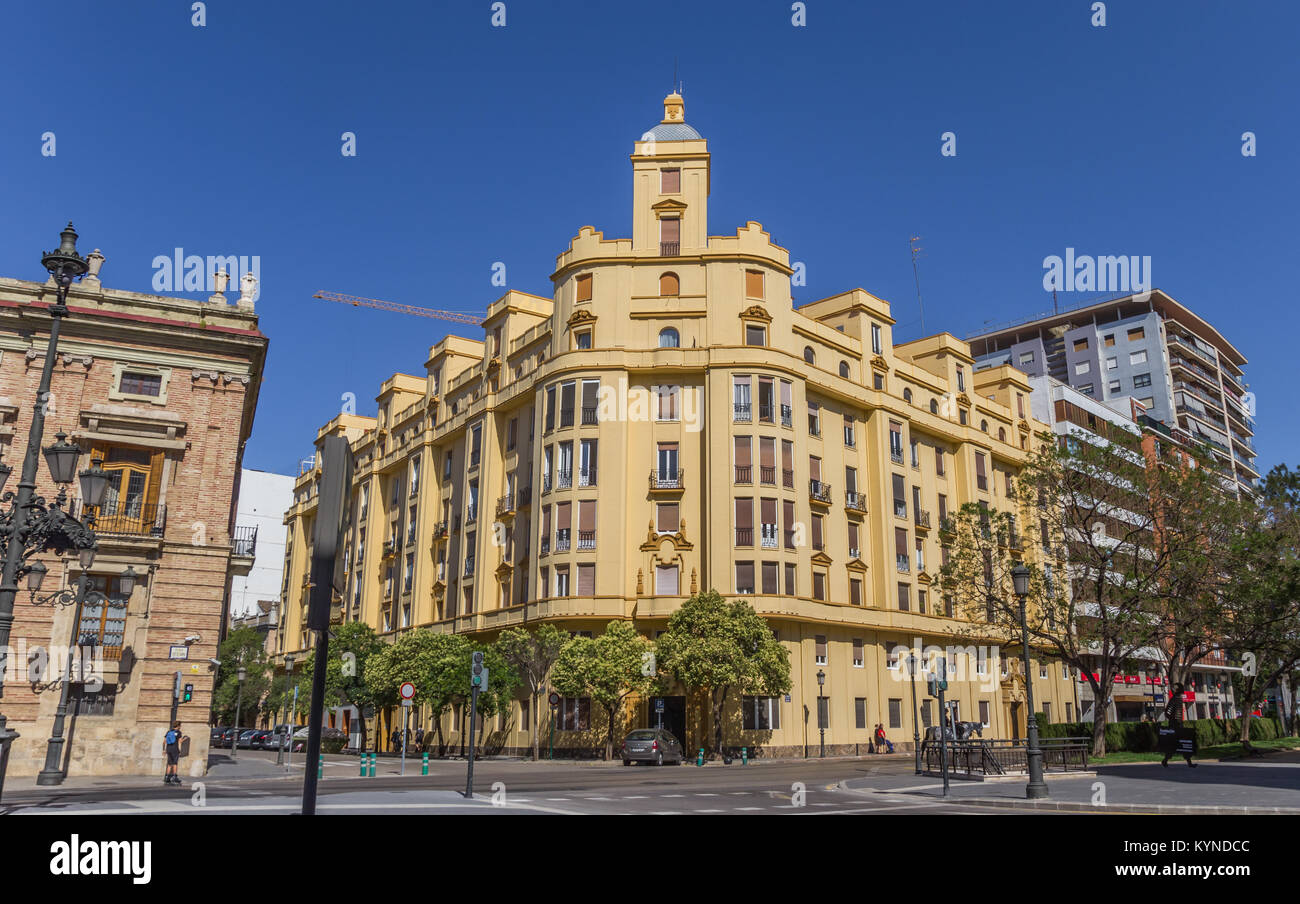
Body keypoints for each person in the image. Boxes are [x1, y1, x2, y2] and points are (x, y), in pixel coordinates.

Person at [1161, 683, 1197, 768]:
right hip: (1174, 725)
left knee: (1183, 743)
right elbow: (1167, 712)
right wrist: (1173, 720)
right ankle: (1165, 760)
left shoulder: (1179, 699)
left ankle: (1188, 762)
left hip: (1179, 724)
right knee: (1176, 743)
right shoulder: (1174, 699)